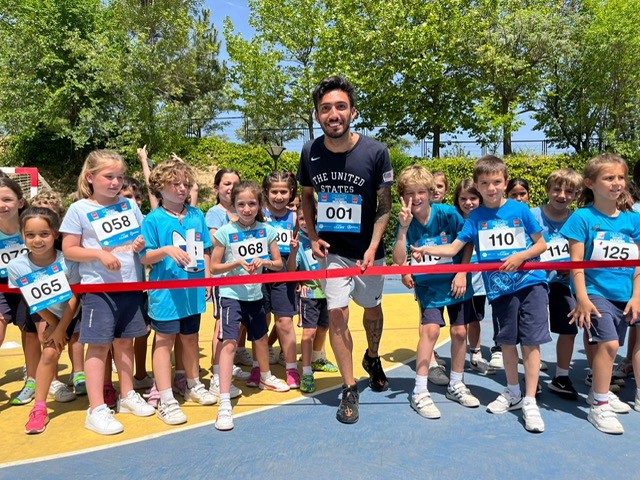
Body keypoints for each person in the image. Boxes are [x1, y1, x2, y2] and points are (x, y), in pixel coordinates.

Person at [415, 155, 550, 433]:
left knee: (531, 342)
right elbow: (454, 249)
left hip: (529, 282)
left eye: (497, 182)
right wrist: (425, 250)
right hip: (500, 290)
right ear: (477, 185)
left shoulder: (519, 210)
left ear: (505, 182)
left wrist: (521, 256)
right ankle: (513, 391)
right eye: (485, 183)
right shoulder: (475, 217)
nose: (491, 188)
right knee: (508, 342)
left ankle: (529, 400)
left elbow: (541, 245)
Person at [298, 75, 394, 424]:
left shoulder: (375, 151)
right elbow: (307, 196)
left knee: (372, 310)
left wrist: (371, 247)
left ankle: (372, 356)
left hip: (369, 251)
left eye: (340, 106)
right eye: (325, 108)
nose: (333, 114)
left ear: (352, 111)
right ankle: (349, 386)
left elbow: (385, 205)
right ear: (318, 115)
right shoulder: (310, 151)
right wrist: (311, 235)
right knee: (337, 313)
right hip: (333, 251)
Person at [61, 149, 155, 435]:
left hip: (130, 284)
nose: (115, 182)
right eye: (108, 176)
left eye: (119, 177)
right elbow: (69, 248)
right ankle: (96, 408)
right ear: (90, 177)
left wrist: (140, 244)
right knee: (99, 345)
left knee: (125, 342)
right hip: (99, 288)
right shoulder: (79, 209)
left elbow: (140, 239)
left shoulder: (129, 205)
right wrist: (100, 255)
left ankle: (127, 395)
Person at [560, 153, 640, 434]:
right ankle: (600, 406)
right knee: (609, 345)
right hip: (594, 292)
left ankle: (597, 392)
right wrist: (581, 297)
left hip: (625, 294)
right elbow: (576, 264)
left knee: (610, 345)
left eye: (620, 177)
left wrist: (637, 295)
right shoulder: (582, 218)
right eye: (609, 178)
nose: (617, 183)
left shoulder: (633, 220)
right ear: (590, 183)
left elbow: (639, 264)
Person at [393, 165, 479, 420]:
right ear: (402, 195)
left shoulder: (449, 214)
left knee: (460, 331)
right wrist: (403, 229)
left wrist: (462, 272)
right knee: (430, 331)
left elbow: (467, 240)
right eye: (410, 192)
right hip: (429, 285)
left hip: (456, 282)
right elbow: (399, 259)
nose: (416, 198)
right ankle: (419, 390)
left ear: (431, 193)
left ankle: (456, 383)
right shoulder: (405, 219)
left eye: (421, 191)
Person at [140, 158, 216, 425]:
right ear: (159, 187)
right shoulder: (153, 219)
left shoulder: (196, 214)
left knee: (191, 338)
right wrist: (165, 250)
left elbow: (206, 248)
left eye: (185, 183)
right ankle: (165, 396)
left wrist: (207, 278)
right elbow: (145, 257)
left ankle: (193, 383)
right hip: (166, 293)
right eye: (175, 184)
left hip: (192, 291)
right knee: (164, 341)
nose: (182, 188)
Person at [210, 180, 289, 431]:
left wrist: (263, 261)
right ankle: (224, 402)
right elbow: (213, 267)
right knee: (230, 342)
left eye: (252, 204)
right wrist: (236, 264)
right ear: (233, 205)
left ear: (259, 205)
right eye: (241, 204)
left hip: (255, 294)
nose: (246, 209)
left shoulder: (267, 231)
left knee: (261, 338)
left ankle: (265, 376)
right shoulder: (224, 232)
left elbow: (278, 263)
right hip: (230, 293)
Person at [8, 207, 81, 434]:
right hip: (46, 314)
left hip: (74, 311)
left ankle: (103, 392)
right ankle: (39, 409)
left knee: (93, 345)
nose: (37, 240)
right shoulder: (17, 266)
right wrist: (55, 327)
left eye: (44, 234)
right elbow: (34, 301)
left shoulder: (68, 261)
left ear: (55, 234)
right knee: (49, 353)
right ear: (21, 235)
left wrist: (61, 328)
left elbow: (74, 297)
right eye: (30, 235)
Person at [530, 168, 583, 399]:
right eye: (557, 189)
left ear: (576, 194)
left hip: (564, 283)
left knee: (569, 329)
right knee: (534, 331)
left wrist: (569, 267)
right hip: (535, 282)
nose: (562, 195)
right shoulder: (532, 215)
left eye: (569, 191)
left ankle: (561, 376)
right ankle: (532, 376)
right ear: (547, 190)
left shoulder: (578, 219)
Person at [205, 168, 249, 400]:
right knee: (222, 328)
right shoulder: (215, 213)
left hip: (243, 278)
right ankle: (216, 376)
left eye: (235, 183)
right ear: (217, 188)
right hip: (224, 278)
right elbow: (212, 240)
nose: (230, 188)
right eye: (226, 184)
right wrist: (233, 225)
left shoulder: (242, 210)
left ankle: (227, 366)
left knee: (235, 325)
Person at [287, 204, 337, 393]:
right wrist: (293, 252)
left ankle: (317, 359)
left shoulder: (327, 238)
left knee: (324, 327)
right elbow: (291, 270)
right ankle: (306, 371)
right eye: (302, 218)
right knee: (308, 333)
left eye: (311, 217)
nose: (307, 222)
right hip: (310, 294)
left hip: (329, 291)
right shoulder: (298, 242)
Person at [261, 171, 300, 388]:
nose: (278, 196)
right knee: (261, 320)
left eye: (283, 191)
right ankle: (261, 366)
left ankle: (292, 368)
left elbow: (296, 245)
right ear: (266, 192)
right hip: (260, 269)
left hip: (284, 270)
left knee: (284, 321)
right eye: (274, 191)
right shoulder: (258, 213)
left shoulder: (294, 217)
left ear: (291, 192)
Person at [453, 178, 494, 375]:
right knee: (457, 321)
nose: (468, 202)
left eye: (473, 198)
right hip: (458, 280)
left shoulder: (485, 220)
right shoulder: (454, 221)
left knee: (476, 317)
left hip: (480, 280)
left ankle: (476, 354)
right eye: (463, 198)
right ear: (457, 200)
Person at [0, 177, 35, 405]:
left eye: (7, 199)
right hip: (2, 286)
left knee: (30, 332)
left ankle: (32, 380)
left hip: (29, 284)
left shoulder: (33, 226)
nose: (2, 205)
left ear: (21, 202)